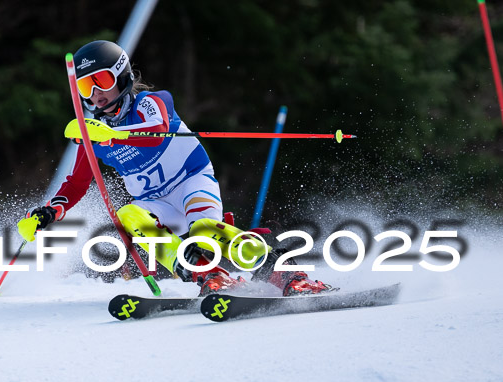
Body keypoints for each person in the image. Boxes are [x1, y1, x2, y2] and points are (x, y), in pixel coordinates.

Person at [18, 40, 332, 296]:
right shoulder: (93, 136)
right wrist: (47, 213)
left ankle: (287, 276)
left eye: (101, 81)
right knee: (127, 215)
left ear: (122, 76)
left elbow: (157, 132)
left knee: (205, 231)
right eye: (87, 87)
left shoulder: (151, 102)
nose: (95, 94)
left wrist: (114, 135)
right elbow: (76, 184)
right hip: (155, 204)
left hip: (191, 183)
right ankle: (207, 275)